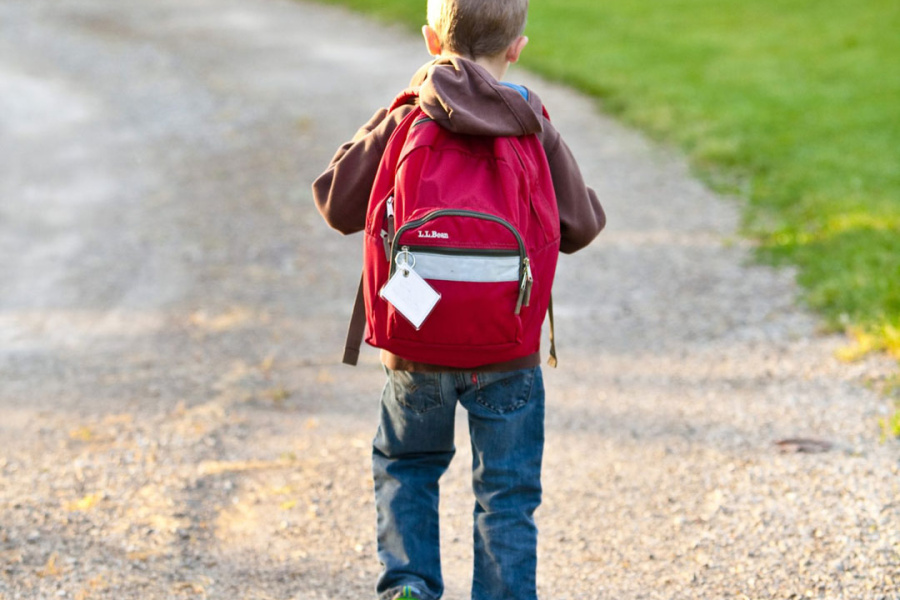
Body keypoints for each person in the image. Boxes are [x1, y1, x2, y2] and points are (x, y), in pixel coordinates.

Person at [312, 1, 605, 598]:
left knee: (407, 468)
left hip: (416, 344)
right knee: (506, 495)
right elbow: (581, 227)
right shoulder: (531, 121)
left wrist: (391, 114)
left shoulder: (407, 116)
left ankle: (409, 588)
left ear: (429, 39)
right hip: (507, 348)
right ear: (518, 46)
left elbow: (336, 202)